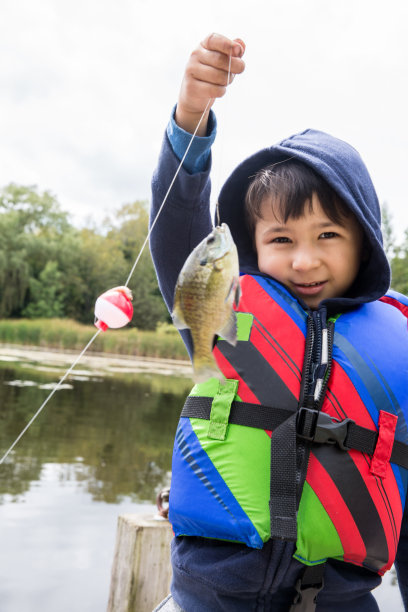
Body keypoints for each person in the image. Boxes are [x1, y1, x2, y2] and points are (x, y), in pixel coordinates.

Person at [150, 33, 408, 612]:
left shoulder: (399, 339)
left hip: (342, 601)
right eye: (281, 240)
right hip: (212, 597)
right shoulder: (226, 306)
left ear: (363, 241)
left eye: (328, 237)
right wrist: (192, 117)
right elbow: (176, 224)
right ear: (252, 247)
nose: (305, 259)